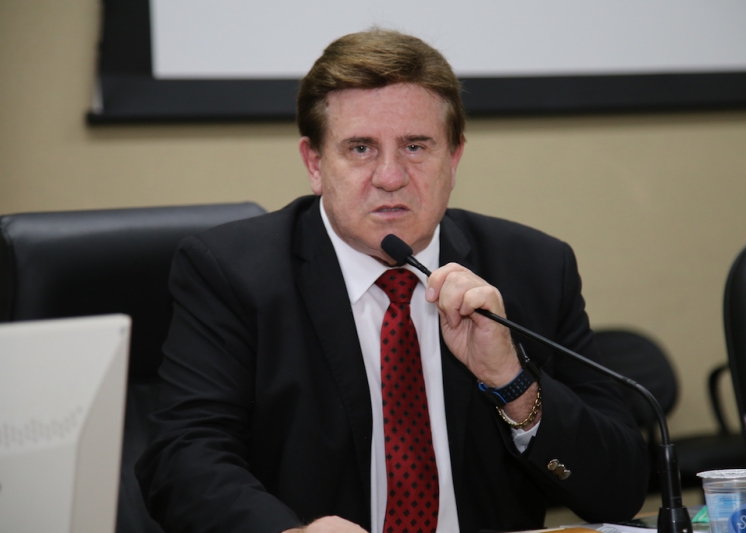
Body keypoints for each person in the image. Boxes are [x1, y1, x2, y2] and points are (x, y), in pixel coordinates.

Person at [136, 29, 649, 533]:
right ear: (314, 163)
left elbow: (620, 490)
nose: (390, 176)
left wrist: (511, 382)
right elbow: (182, 460)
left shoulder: (533, 268)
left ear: (454, 158)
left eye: (415, 147)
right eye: (360, 148)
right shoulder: (232, 273)